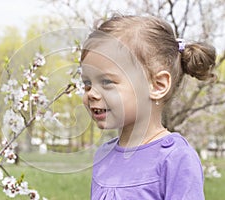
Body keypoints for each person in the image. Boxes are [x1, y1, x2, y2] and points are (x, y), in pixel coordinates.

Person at [80, 14, 216, 200]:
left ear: (157, 85)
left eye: (106, 81)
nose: (91, 94)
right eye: (87, 84)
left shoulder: (175, 159)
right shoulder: (103, 155)